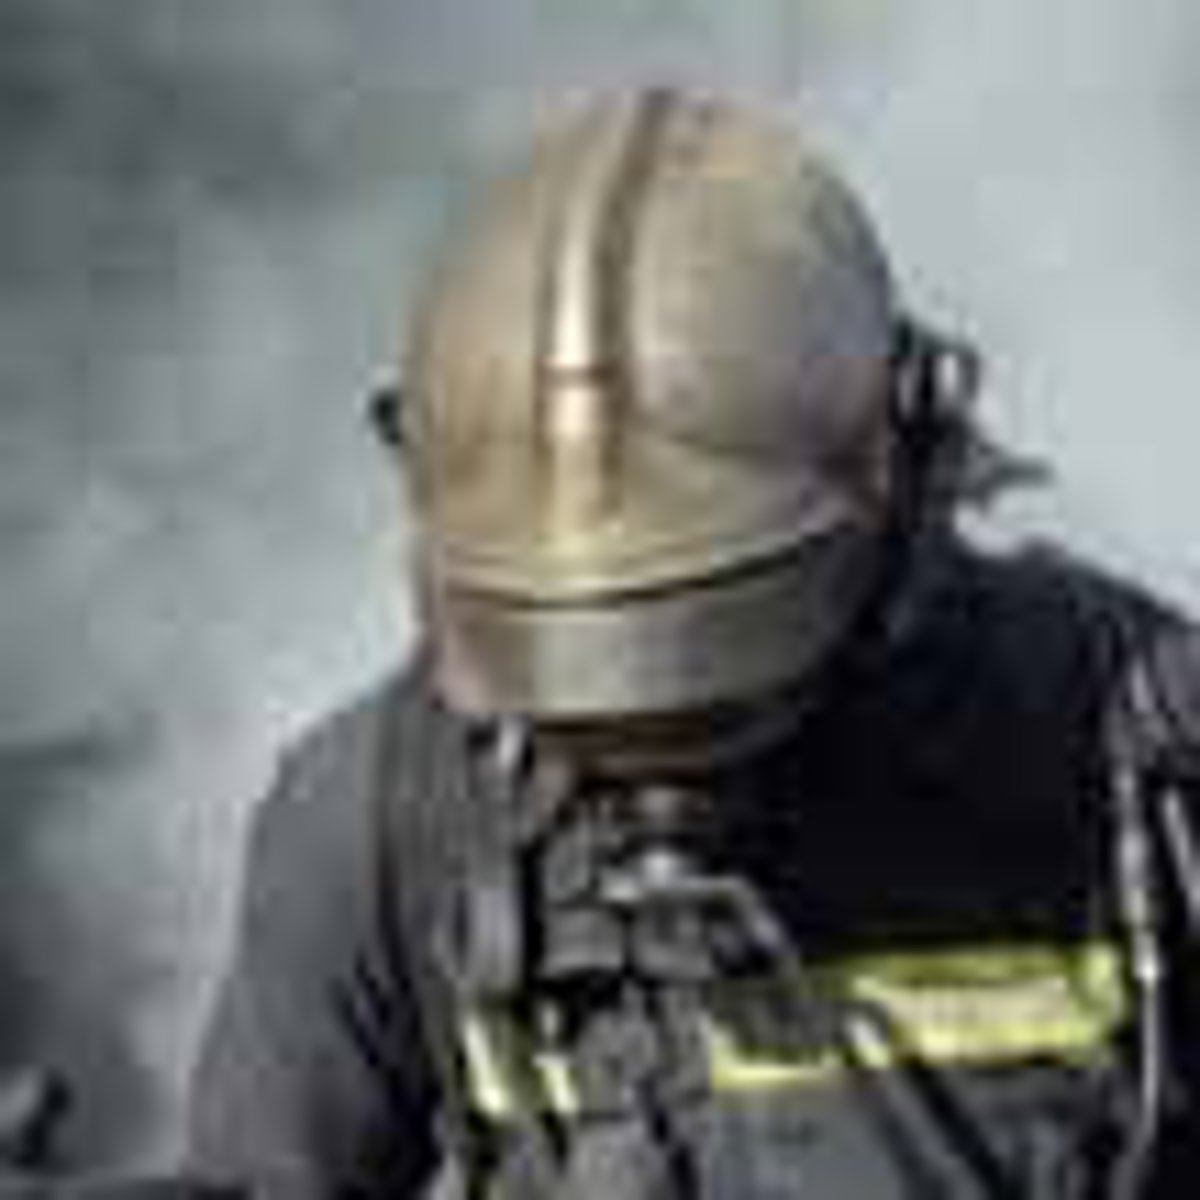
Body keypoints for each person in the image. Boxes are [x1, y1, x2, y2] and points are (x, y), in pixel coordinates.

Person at [186, 87, 1200, 1199]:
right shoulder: (390, 817)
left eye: (717, 654)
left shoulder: (1134, 749)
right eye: (583, 696)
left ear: (902, 474)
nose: (661, 770)